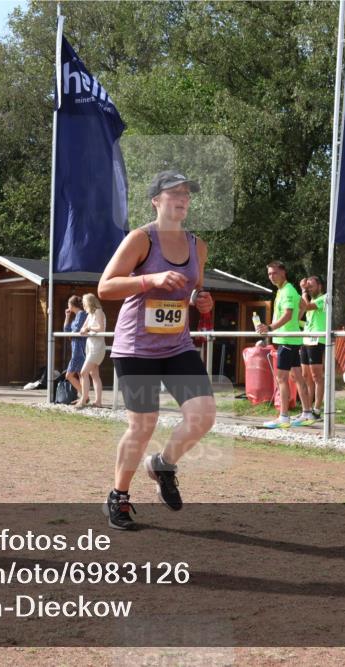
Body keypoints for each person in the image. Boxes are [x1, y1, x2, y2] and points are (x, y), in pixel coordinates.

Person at [97, 170, 215, 530]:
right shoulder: (141, 239)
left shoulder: (198, 245)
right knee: (142, 426)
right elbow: (105, 287)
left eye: (186, 194)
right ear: (156, 200)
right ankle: (119, 496)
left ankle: (163, 464)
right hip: (136, 348)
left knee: (203, 415)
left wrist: (202, 301)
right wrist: (150, 279)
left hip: (177, 345)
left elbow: (191, 292)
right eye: (173, 192)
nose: (182, 198)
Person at [255, 261, 312, 428]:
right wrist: (296, 320)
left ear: (283, 272)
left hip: (287, 340)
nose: (272, 277)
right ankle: (307, 413)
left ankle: (284, 417)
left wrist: (270, 327)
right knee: (297, 377)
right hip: (291, 339)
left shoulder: (286, 291)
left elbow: (288, 314)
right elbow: (304, 306)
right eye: (269, 274)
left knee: (281, 378)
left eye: (275, 273)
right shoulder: (286, 290)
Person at [299, 275, 327, 421]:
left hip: (317, 340)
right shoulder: (311, 299)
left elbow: (306, 306)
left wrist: (303, 291)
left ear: (319, 286)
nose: (309, 288)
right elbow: (301, 313)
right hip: (306, 339)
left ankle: (317, 410)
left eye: (311, 286)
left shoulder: (324, 298)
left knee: (316, 376)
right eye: (307, 286)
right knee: (305, 376)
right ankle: (307, 410)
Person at [73, 293, 107, 409]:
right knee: (94, 374)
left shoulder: (98, 311)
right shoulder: (89, 314)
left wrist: (88, 329)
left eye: (84, 302)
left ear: (89, 302)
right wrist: (85, 329)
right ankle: (98, 402)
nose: (83, 304)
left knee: (83, 372)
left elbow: (100, 328)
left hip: (97, 346)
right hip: (90, 345)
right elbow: (82, 328)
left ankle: (83, 400)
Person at [63, 295, 87, 396]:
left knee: (69, 375)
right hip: (75, 346)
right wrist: (67, 317)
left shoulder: (81, 314)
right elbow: (67, 330)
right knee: (80, 373)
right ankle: (84, 397)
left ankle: (84, 396)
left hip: (79, 348)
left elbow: (75, 331)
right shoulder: (77, 316)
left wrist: (71, 334)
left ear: (71, 304)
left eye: (68, 303)